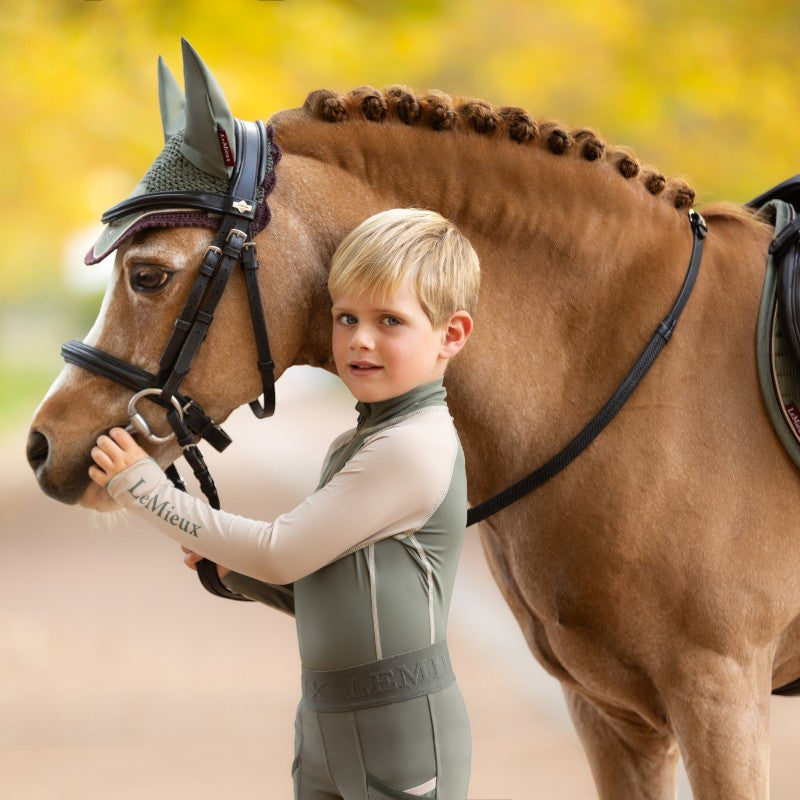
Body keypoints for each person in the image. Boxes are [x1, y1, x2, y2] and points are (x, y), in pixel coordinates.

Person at [89, 207, 480, 800]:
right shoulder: (358, 442)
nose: (360, 339)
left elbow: (281, 551)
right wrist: (237, 573)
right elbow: (331, 587)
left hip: (401, 734)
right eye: (346, 317)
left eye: (390, 321)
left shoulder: (412, 447)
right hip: (324, 726)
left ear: (450, 335)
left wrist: (143, 488)